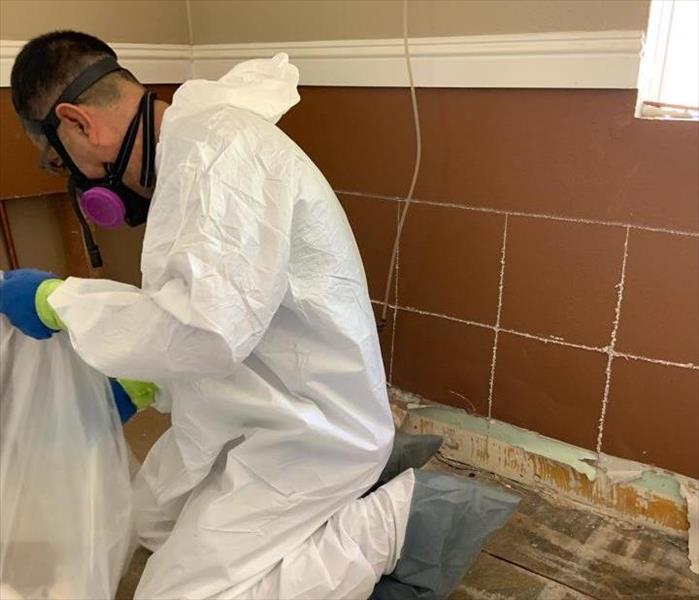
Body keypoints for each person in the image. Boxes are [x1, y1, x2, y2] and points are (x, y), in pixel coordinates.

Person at [0, 31, 518, 600]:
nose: (76, 178)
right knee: (148, 522)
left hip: (311, 430)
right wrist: (148, 383)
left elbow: (207, 331)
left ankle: (398, 521)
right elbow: (215, 312)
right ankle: (356, 489)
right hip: (255, 406)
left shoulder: (223, 155)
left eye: (59, 161)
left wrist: (60, 302)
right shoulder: (191, 155)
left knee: (172, 596)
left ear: (77, 124)